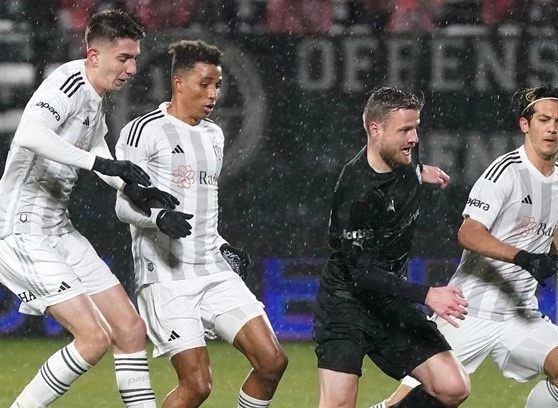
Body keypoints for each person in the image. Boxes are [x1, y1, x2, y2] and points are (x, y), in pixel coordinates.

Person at [373, 85, 558, 408]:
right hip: (469, 310)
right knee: (412, 402)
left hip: (520, 314)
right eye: (544, 120)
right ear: (525, 124)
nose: (552, 128)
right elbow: (469, 233)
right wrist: (522, 257)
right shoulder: (504, 173)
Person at [0, 9, 172, 408]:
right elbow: (29, 134)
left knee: (130, 329)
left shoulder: (95, 96)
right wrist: (100, 165)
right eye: (123, 58)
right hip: (20, 229)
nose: (132, 69)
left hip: (58, 229)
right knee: (93, 338)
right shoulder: (68, 83)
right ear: (94, 56)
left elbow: (94, 145)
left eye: (134, 58)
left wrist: (129, 186)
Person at [114, 39, 288, 408]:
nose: (213, 94)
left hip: (213, 269)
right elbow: (122, 207)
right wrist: (159, 217)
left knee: (272, 362)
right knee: (197, 386)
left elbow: (202, 207)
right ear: (178, 83)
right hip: (166, 278)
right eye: (204, 84)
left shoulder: (214, 135)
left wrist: (222, 246)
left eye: (218, 85)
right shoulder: (142, 131)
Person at [314, 86, 470, 408]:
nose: (414, 138)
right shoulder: (357, 191)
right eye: (405, 130)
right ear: (375, 129)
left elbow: (404, 167)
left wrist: (420, 171)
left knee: (453, 387)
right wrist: (427, 294)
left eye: (416, 128)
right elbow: (361, 275)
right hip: (346, 304)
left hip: (389, 302)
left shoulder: (404, 156)